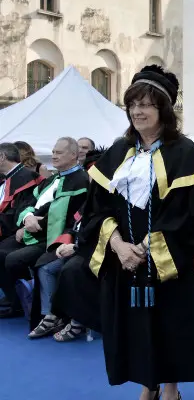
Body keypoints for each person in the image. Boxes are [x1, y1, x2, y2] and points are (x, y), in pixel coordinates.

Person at [79, 65, 194, 400]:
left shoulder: (184, 153)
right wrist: (120, 247)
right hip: (124, 261)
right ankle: (146, 385)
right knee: (137, 328)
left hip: (165, 263)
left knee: (168, 324)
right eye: (133, 104)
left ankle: (170, 390)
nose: (137, 111)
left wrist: (144, 250)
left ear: (163, 110)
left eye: (146, 104)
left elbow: (185, 216)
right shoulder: (118, 152)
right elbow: (97, 209)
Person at [0, 137, 88, 320]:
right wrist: (28, 218)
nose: (54, 156)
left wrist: (34, 224)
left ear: (74, 155)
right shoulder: (53, 178)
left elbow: (65, 217)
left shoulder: (80, 181)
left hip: (52, 238)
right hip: (32, 230)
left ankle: (30, 301)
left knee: (14, 259)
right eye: (54, 152)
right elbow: (29, 203)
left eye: (59, 153)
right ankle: (16, 300)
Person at [49, 147, 106, 341]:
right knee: (48, 265)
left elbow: (106, 233)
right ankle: (54, 314)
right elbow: (74, 225)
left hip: (100, 251)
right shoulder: (89, 199)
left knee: (72, 269)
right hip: (78, 246)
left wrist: (75, 247)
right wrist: (66, 242)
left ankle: (78, 321)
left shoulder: (110, 200)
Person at [0, 143, 44, 313]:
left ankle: (16, 300)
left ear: (2, 157)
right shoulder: (9, 178)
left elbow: (20, 211)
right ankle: (13, 297)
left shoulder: (25, 178)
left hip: (23, 231)